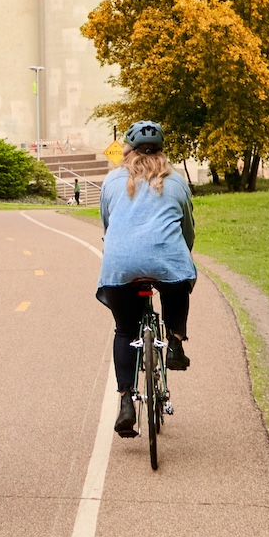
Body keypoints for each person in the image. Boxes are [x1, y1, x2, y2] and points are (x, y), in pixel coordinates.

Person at [97, 120, 196, 438]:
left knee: (125, 330)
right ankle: (176, 343)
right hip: (167, 258)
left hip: (121, 264)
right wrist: (183, 256)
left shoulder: (112, 181)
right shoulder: (177, 181)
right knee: (177, 280)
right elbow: (187, 228)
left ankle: (126, 403)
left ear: (128, 149)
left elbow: (107, 225)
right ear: (162, 150)